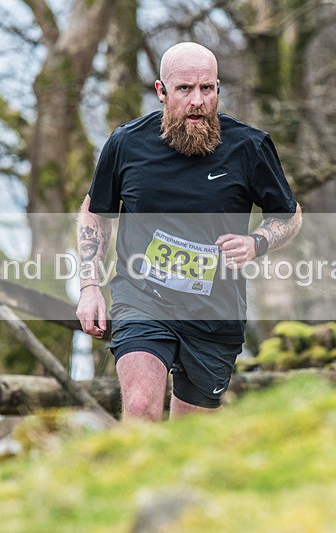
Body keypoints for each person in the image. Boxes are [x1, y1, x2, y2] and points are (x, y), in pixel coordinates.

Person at [76, 42, 302, 421]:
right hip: (142, 299)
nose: (198, 101)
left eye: (207, 89)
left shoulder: (250, 146)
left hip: (216, 313)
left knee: (189, 434)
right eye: (184, 89)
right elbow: (95, 214)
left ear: (217, 90)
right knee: (138, 407)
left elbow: (289, 216)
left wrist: (256, 241)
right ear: (161, 91)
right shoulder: (127, 144)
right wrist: (89, 286)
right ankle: (136, 482)